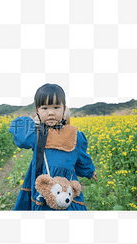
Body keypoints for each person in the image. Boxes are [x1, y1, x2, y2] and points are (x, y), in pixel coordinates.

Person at [8, 83, 97, 211]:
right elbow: (19, 133)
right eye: (44, 108)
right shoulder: (37, 133)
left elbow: (82, 157)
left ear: (64, 109)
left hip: (66, 186)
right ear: (37, 111)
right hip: (43, 187)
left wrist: (89, 171)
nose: (50, 113)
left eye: (56, 107)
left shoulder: (74, 134)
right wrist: (33, 122)